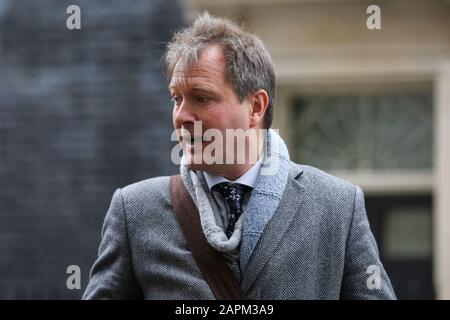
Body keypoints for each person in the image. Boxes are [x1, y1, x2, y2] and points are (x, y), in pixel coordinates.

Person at [83, 12, 396, 300]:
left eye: (201, 98)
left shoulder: (338, 207)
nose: (181, 116)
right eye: (176, 98)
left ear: (256, 107)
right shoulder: (134, 212)